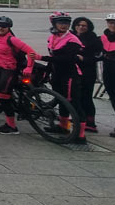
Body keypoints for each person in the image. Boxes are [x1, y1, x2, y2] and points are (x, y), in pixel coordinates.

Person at [40, 11, 87, 142]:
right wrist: (46, 73)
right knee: (61, 100)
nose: (64, 25)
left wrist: (42, 58)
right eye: (60, 23)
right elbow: (53, 59)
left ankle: (81, 135)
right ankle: (63, 126)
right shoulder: (52, 38)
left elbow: (66, 59)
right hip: (57, 73)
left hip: (70, 74)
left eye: (66, 23)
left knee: (73, 103)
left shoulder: (73, 40)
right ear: (54, 23)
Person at [0, 16, 37, 136]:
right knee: (1, 95)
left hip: (9, 70)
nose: (0, 28)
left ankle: (12, 126)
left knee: (4, 98)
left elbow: (31, 52)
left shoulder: (12, 39)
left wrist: (29, 67)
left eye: (3, 26)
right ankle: (12, 119)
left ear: (9, 27)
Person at [71, 16, 102, 133]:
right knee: (75, 96)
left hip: (87, 71)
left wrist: (84, 58)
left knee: (86, 97)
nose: (80, 27)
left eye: (84, 25)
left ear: (88, 27)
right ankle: (78, 118)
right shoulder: (71, 37)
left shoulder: (93, 39)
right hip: (73, 71)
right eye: (78, 25)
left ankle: (90, 121)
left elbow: (98, 56)